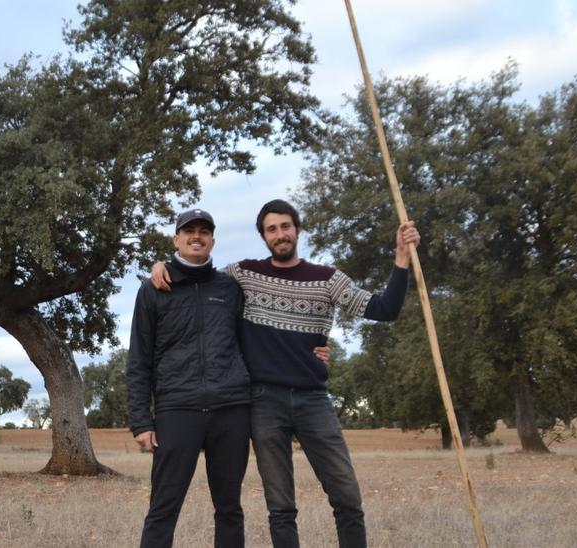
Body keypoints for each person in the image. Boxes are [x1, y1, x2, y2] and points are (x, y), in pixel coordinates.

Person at [151, 199, 419, 548]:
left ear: (297, 229)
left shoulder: (328, 280)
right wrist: (162, 266)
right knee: (280, 506)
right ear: (263, 236)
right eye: (271, 229)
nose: (280, 234)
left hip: (313, 400)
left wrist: (401, 258)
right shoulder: (244, 275)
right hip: (263, 402)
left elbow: (385, 309)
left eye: (286, 226)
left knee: (346, 494)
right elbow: (198, 274)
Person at [127, 208, 252, 548]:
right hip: (176, 409)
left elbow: (251, 344)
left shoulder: (229, 287)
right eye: (189, 231)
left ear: (213, 240)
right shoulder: (154, 288)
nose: (197, 236)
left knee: (229, 508)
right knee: (163, 507)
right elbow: (139, 357)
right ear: (176, 239)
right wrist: (140, 420)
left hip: (231, 409)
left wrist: (315, 349)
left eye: (204, 231)